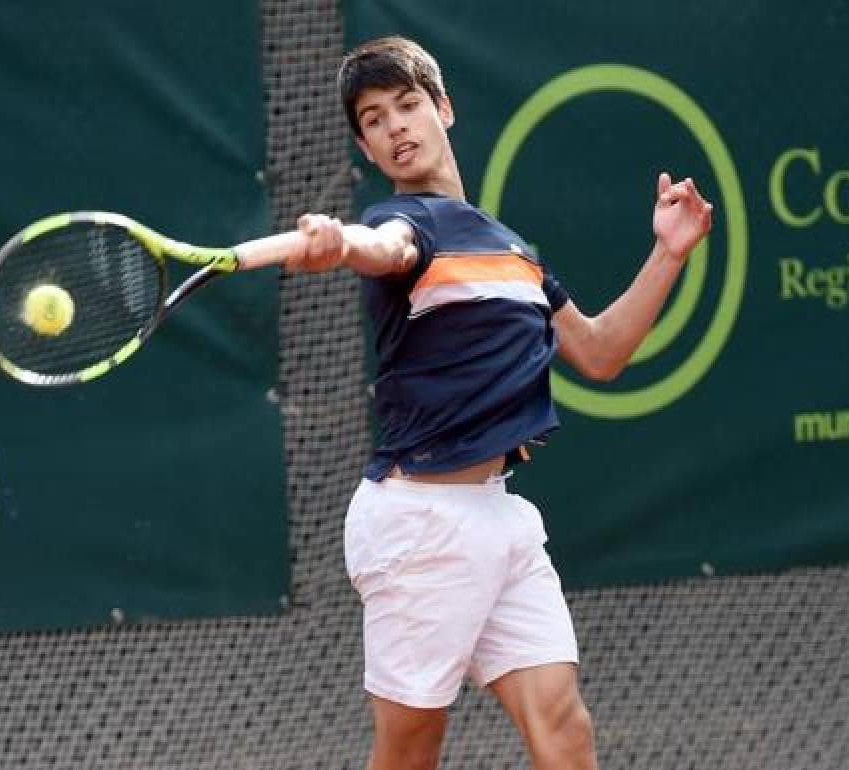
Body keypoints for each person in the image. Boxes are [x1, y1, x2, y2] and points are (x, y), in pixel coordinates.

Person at [284, 36, 713, 770]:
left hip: (499, 515)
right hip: (418, 526)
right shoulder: (408, 226)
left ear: (443, 109)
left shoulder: (512, 252)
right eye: (375, 118)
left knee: (564, 727)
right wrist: (341, 241)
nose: (396, 126)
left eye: (409, 105)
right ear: (364, 145)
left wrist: (669, 252)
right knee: (410, 751)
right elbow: (383, 248)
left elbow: (601, 352)